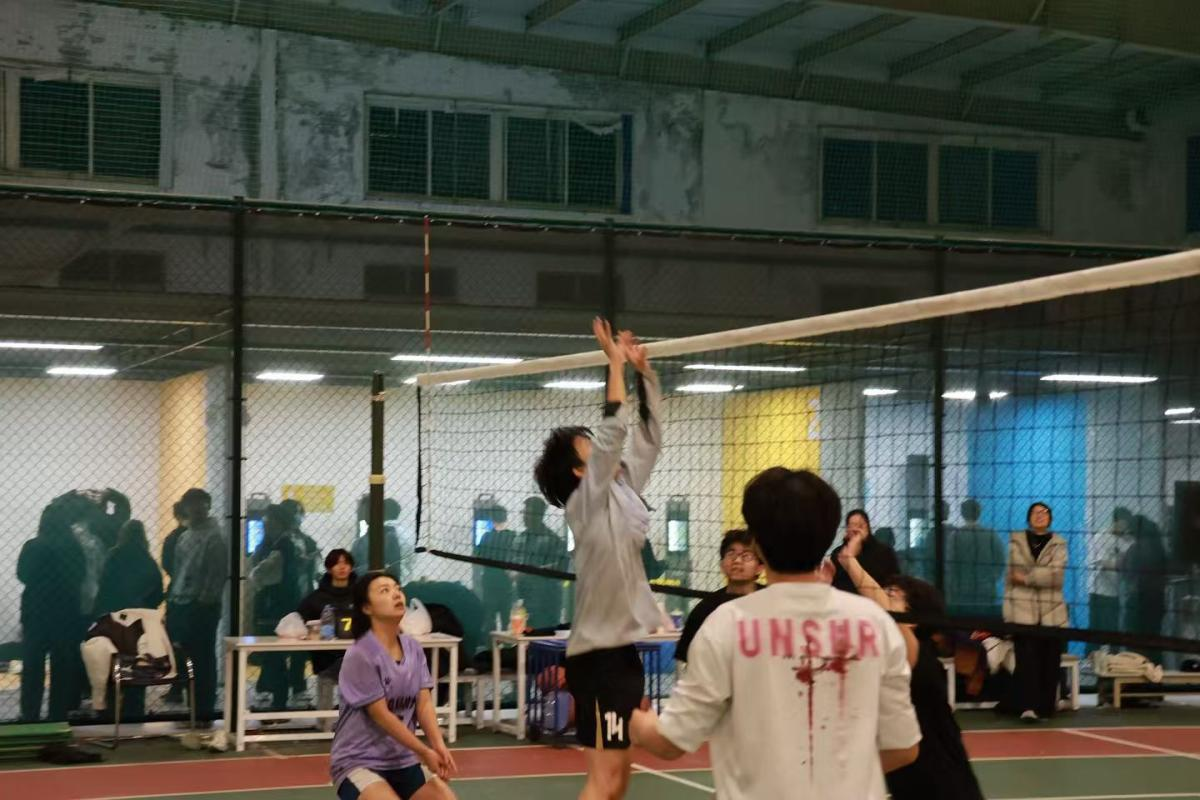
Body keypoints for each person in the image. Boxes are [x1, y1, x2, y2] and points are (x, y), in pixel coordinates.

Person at [630, 467, 920, 800]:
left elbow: (670, 742)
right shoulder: (875, 624)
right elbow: (904, 748)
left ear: (757, 543)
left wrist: (637, 724)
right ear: (828, 535)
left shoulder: (726, 625)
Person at [533, 321, 665, 800]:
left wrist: (645, 374)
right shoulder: (584, 503)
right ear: (578, 469)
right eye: (586, 445)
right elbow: (614, 430)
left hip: (619, 649)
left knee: (619, 777)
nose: (596, 442)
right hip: (598, 655)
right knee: (605, 780)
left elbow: (649, 438)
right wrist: (613, 364)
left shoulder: (622, 488)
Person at [838, 536, 984, 800]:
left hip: (943, 784)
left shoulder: (919, 656)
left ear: (913, 618)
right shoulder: (891, 652)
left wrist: (849, 561)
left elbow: (880, 606)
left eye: (892, 595)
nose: (882, 597)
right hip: (910, 779)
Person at [330, 572, 457, 800]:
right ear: (367, 608)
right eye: (385, 591)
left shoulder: (413, 648)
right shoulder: (361, 654)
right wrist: (423, 751)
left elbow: (424, 704)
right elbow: (381, 715)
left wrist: (438, 745)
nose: (396, 594)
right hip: (359, 760)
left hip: (402, 760)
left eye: (397, 588)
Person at [18, 504, 87, 721]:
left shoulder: (33, 546)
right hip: (65, 612)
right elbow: (81, 576)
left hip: (36, 611)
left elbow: (22, 574)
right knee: (62, 666)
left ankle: (30, 713)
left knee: (33, 665)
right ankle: (57, 713)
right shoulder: (73, 547)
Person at [166, 488, 228, 720]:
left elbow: (216, 575)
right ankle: (194, 705)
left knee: (202, 658)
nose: (196, 509)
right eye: (192, 505)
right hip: (183, 601)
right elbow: (178, 570)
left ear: (207, 507)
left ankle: (203, 708)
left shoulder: (214, 537)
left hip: (201, 605)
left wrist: (203, 602)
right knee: (187, 656)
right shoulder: (186, 536)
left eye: (200, 505)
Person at [1004, 502, 1068, 722]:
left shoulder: (1059, 543)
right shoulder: (1016, 540)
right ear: (1028, 517)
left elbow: (1056, 577)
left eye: (1044, 512)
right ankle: (1027, 707)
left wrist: (1027, 578)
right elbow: (1012, 574)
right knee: (1026, 660)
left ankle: (1046, 708)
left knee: (1050, 661)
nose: (1040, 515)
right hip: (1022, 610)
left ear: (1050, 518)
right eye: (1035, 512)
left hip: (1052, 611)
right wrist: (1042, 575)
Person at [675, 530, 762, 664]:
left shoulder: (773, 602)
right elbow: (688, 658)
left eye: (746, 556)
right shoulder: (705, 609)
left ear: (760, 567)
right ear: (722, 565)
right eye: (731, 554)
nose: (737, 560)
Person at [251, 504, 307, 709]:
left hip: (277, 605)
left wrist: (257, 578)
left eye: (270, 521)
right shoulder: (288, 543)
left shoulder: (283, 546)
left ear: (280, 522)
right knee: (275, 653)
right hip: (285, 604)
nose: (266, 525)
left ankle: (279, 701)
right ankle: (277, 696)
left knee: (275, 653)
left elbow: (260, 574)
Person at [299, 548, 358, 715]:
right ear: (328, 568)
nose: (342, 567)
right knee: (326, 675)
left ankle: (354, 722)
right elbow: (301, 620)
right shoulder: (316, 598)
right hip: (326, 657)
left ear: (351, 567)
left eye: (346, 563)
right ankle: (323, 723)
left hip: (357, 655)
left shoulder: (362, 595)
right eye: (336, 563)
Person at [945, 499, 1006, 619]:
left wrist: (953, 584)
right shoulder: (991, 535)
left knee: (963, 622)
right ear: (979, 512)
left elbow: (950, 564)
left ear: (962, 514)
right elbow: (1001, 560)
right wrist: (992, 578)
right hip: (986, 588)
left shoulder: (955, 536)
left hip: (962, 589)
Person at [515, 496, 569, 630]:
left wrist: (532, 572)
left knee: (543, 634)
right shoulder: (521, 538)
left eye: (528, 513)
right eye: (523, 513)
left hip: (545, 600)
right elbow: (512, 561)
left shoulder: (552, 539)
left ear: (538, 515)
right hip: (525, 597)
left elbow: (561, 566)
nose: (524, 517)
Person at [1121, 514, 1168, 664]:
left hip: (1138, 603)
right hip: (1157, 600)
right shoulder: (1159, 549)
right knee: (1154, 641)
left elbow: (1127, 573)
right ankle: (1156, 671)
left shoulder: (1136, 549)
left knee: (1134, 644)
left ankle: (1136, 672)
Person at [94, 519, 164, 616]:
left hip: (115, 607)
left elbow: (104, 583)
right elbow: (157, 589)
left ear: (123, 534)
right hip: (140, 611)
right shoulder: (147, 560)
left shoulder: (114, 555)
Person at [1088, 507, 1134, 653]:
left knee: (1113, 632)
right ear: (1116, 521)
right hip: (1099, 592)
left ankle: (1113, 660)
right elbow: (1103, 563)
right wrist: (1123, 564)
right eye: (1124, 523)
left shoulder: (1126, 542)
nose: (1125, 527)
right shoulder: (1100, 537)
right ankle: (1091, 659)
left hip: (1115, 593)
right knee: (1095, 631)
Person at [830, 509, 900, 596]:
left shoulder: (885, 552)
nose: (855, 529)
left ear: (868, 528)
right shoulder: (838, 553)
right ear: (847, 530)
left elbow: (894, 582)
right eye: (851, 526)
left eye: (860, 526)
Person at [474, 504, 516, 635]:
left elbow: (478, 556)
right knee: (506, 619)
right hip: (506, 581)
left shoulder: (486, 537)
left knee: (489, 618)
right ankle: (507, 644)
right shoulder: (513, 536)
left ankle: (490, 644)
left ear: (491, 518)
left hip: (490, 580)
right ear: (506, 517)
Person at [351, 497, 410, 580]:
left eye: (366, 510)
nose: (362, 514)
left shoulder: (390, 537)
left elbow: (392, 569)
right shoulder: (359, 542)